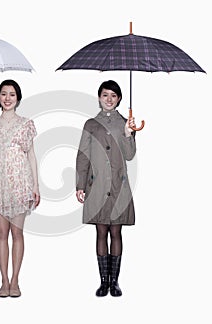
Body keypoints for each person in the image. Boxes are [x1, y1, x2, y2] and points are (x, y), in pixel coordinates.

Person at [0, 79, 40, 298]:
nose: (8, 98)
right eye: (4, 94)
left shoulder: (26, 123)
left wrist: (36, 186)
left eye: (12, 94)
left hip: (21, 181)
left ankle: (16, 280)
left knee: (17, 232)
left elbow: (31, 155)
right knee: (2, 233)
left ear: (18, 98)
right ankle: (3, 280)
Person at [76, 80, 137, 297]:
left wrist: (129, 134)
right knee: (101, 231)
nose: (109, 99)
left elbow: (129, 155)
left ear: (119, 98)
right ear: (99, 97)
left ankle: (115, 282)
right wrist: (80, 185)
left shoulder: (125, 123)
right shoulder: (91, 124)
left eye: (113, 95)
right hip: (97, 185)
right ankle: (103, 282)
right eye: (105, 95)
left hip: (119, 186)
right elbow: (83, 155)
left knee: (116, 232)